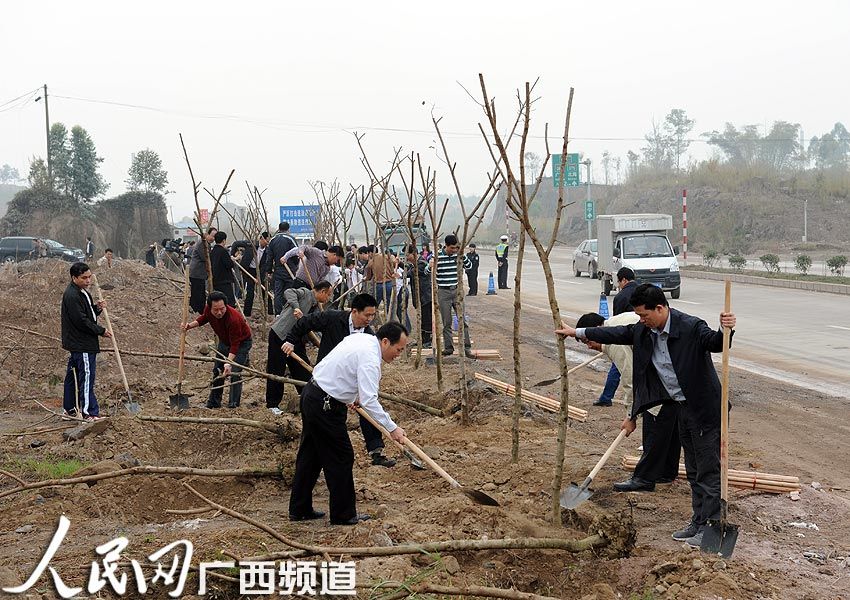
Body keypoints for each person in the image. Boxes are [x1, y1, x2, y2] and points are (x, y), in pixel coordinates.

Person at [556, 283, 736, 548]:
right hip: (681, 408)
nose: (641, 321)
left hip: (705, 409)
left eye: (644, 315)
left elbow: (717, 343)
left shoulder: (690, 327)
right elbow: (615, 332)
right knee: (695, 469)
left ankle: (712, 526)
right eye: (639, 316)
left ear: (660, 308)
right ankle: (697, 522)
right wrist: (577, 332)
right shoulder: (645, 331)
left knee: (709, 472)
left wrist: (726, 328)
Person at [288, 322, 408, 525]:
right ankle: (343, 514)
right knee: (341, 456)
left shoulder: (362, 339)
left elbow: (344, 366)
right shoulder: (370, 358)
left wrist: (351, 395)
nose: (399, 354)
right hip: (325, 404)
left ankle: (299, 509)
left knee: (311, 455)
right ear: (386, 342)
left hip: (313, 393)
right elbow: (370, 400)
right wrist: (392, 428)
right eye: (399, 349)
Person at [282, 293, 397, 468]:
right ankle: (315, 460)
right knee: (321, 434)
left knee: (368, 404)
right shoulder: (333, 318)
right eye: (367, 315)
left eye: (373, 315)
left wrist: (357, 395)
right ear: (354, 311)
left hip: (348, 383)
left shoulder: (368, 334)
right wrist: (291, 340)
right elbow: (306, 322)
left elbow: (368, 375)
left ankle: (376, 450)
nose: (370, 319)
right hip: (325, 384)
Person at [575, 310, 681, 492]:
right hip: (674, 374)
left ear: (597, 329)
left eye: (588, 340)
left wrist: (631, 415)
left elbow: (631, 378)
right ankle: (665, 472)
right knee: (669, 428)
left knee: (654, 426)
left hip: (663, 380)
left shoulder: (614, 341)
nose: (590, 346)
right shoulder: (617, 322)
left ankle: (644, 478)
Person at [266, 281, 333, 415]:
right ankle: (272, 404)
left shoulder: (315, 307)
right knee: (276, 368)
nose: (328, 299)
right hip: (281, 334)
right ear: (322, 292)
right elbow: (288, 292)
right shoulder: (305, 293)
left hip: (296, 339)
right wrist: (296, 307)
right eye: (328, 295)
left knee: (302, 368)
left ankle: (308, 399)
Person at [182, 291, 253, 408]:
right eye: (216, 310)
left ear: (226, 305)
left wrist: (228, 363)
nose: (219, 312)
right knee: (217, 370)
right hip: (224, 341)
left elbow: (235, 344)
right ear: (210, 307)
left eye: (222, 309)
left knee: (234, 372)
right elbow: (204, 318)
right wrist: (189, 326)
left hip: (241, 343)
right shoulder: (208, 310)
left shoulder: (233, 319)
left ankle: (233, 404)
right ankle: (214, 403)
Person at [61, 262, 111, 421]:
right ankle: (89, 413)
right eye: (84, 278)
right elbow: (81, 321)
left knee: (73, 377)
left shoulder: (82, 292)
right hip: (82, 344)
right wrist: (101, 331)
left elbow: (87, 314)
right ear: (74, 277)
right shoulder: (72, 295)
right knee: (86, 378)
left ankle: (69, 410)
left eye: (89, 277)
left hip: (79, 343)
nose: (88, 280)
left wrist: (97, 308)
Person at [595, 267, 638, 407]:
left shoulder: (621, 297)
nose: (619, 286)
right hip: (642, 339)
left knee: (619, 368)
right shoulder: (644, 291)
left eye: (619, 282)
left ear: (624, 280)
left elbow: (617, 325)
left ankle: (607, 397)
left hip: (624, 340)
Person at [425, 234, 473, 358]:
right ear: (446, 246)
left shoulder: (459, 254)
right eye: (452, 248)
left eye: (456, 248)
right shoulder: (437, 256)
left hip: (457, 291)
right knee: (447, 322)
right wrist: (431, 265)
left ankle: (466, 348)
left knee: (462, 321)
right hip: (443, 292)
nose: (454, 250)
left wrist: (463, 257)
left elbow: (470, 267)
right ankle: (448, 347)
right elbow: (427, 271)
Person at [266, 222, 298, 314]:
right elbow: (296, 253)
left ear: (279, 229)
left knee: (278, 293)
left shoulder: (272, 240)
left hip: (278, 270)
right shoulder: (290, 239)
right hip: (290, 270)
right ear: (288, 229)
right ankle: (287, 313)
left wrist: (269, 271)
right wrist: (296, 265)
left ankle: (278, 314)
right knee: (289, 292)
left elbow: (269, 257)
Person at [405, 244, 432, 347]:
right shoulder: (415, 264)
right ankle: (422, 340)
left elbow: (409, 273)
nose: (407, 257)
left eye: (408, 255)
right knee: (422, 320)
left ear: (414, 253)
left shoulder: (421, 264)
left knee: (427, 320)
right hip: (420, 297)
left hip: (425, 297)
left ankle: (428, 341)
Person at [188, 228, 217, 313]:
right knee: (197, 292)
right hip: (197, 272)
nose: (214, 238)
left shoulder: (206, 244)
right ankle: (197, 310)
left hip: (200, 273)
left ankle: (198, 309)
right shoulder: (202, 243)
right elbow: (205, 258)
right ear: (207, 234)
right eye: (213, 236)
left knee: (200, 291)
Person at [209, 231, 237, 307]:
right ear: (224, 240)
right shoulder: (223, 251)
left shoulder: (212, 251)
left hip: (215, 279)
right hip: (224, 280)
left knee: (219, 301)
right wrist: (233, 260)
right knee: (229, 302)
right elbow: (229, 264)